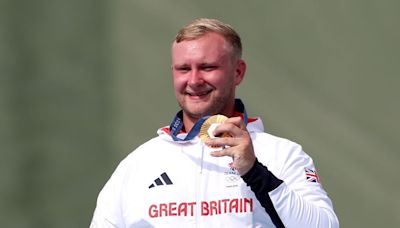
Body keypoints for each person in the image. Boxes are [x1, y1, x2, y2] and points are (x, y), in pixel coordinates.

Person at [90, 18, 339, 228]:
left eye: (208, 67)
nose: (194, 80)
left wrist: (254, 171)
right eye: (184, 69)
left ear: (238, 72)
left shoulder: (280, 154)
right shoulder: (137, 165)